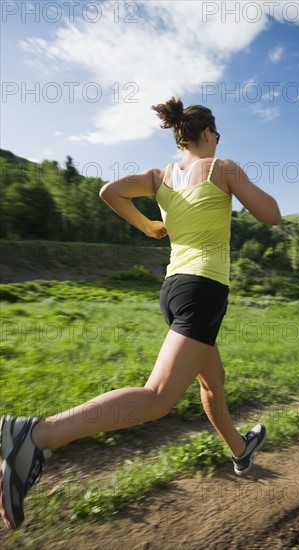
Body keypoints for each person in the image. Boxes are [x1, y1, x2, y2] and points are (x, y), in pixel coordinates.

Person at [0, 97, 281, 530]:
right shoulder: (222, 166)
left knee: (212, 381)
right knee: (157, 398)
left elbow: (108, 191)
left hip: (173, 289)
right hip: (203, 290)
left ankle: (240, 449)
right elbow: (272, 215)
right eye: (217, 135)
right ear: (207, 134)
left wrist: (149, 225)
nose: (218, 142)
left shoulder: (159, 176)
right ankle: (35, 436)